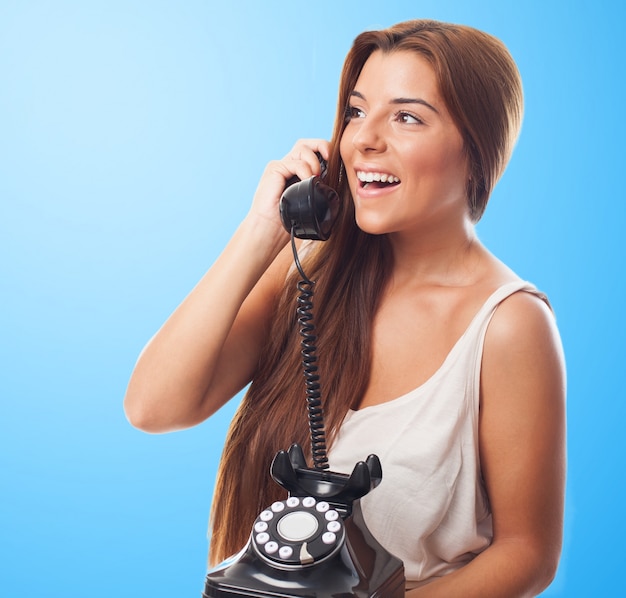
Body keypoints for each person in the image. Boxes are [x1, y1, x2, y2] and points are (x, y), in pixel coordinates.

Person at [124, 19, 566, 596]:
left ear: (476, 150)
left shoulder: (510, 325)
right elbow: (153, 407)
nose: (363, 140)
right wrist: (262, 231)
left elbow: (527, 554)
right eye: (357, 112)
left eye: (406, 117)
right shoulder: (310, 270)